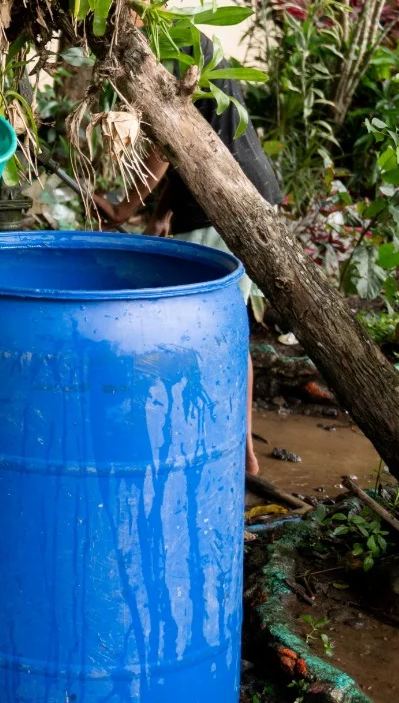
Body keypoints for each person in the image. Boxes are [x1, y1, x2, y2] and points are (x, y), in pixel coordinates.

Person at [96, 33, 281, 477]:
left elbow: (166, 144)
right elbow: (199, 133)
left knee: (218, 332)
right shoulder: (190, 38)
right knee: (226, 325)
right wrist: (163, 212)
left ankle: (236, 454)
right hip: (247, 191)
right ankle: (235, 451)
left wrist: (125, 208)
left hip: (222, 203)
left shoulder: (161, 47)